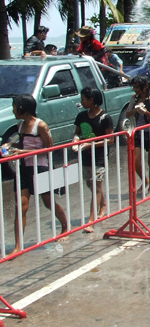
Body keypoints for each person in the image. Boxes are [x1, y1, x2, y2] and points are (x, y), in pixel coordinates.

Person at [3, 95, 69, 257]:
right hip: (24, 170)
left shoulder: (40, 125)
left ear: (21, 107)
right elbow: (24, 145)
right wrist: (11, 145)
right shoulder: (20, 125)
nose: (12, 110)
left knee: (48, 203)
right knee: (21, 207)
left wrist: (23, 151)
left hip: (39, 168)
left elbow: (49, 149)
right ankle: (19, 245)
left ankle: (65, 226)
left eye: (14, 106)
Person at [73, 88, 114, 233]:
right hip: (85, 156)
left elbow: (110, 139)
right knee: (90, 184)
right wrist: (76, 141)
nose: (81, 101)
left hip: (99, 157)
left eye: (83, 99)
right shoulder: (82, 116)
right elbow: (77, 133)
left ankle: (91, 220)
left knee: (96, 187)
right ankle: (103, 203)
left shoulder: (105, 118)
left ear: (91, 100)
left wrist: (91, 144)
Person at [126, 75, 150, 196]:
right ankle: (145, 180)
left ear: (146, 86)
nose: (135, 90)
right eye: (134, 87)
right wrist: (136, 110)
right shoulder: (134, 98)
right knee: (135, 160)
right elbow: (127, 114)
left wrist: (146, 112)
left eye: (137, 87)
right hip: (139, 132)